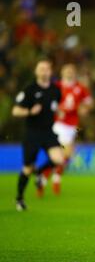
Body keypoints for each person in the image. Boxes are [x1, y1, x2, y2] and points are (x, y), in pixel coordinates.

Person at [12, 59, 64, 211]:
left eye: (47, 69)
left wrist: (59, 111)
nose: (44, 71)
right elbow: (15, 111)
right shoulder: (29, 89)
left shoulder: (55, 90)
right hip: (32, 133)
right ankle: (19, 198)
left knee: (59, 158)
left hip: (48, 132)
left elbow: (56, 106)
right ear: (36, 72)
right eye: (41, 68)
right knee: (28, 167)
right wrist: (29, 111)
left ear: (50, 71)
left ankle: (40, 173)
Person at [39, 63, 92, 195]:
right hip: (59, 124)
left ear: (75, 73)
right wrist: (57, 109)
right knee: (62, 154)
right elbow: (47, 102)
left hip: (74, 126)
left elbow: (89, 102)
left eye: (71, 70)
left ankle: (44, 177)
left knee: (66, 156)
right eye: (67, 70)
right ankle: (54, 179)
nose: (69, 73)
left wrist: (85, 109)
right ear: (62, 73)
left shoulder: (81, 88)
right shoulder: (56, 86)